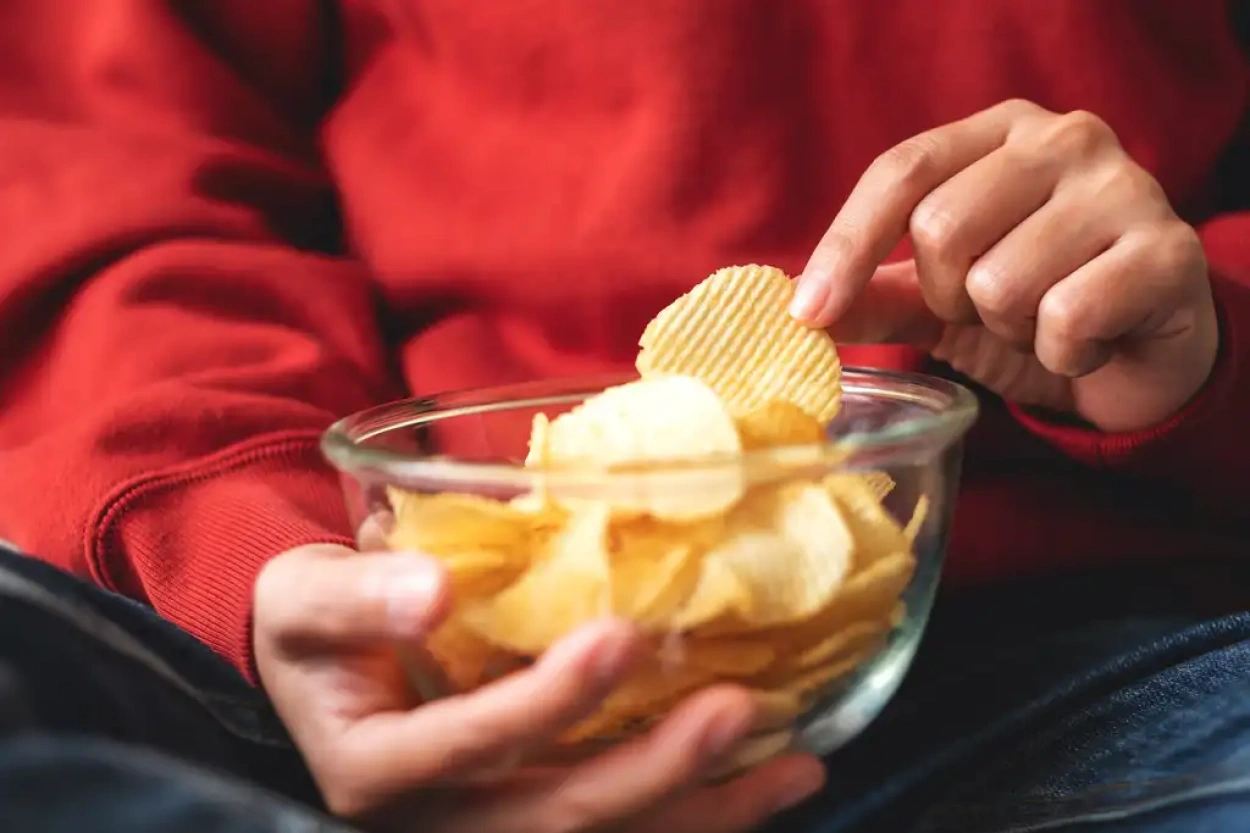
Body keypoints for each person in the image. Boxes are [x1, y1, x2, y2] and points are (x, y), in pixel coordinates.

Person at [0, 1, 1247, 831]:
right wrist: (247, 551)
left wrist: (1203, 339)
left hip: (1083, 656)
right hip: (355, 633)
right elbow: (106, 160)